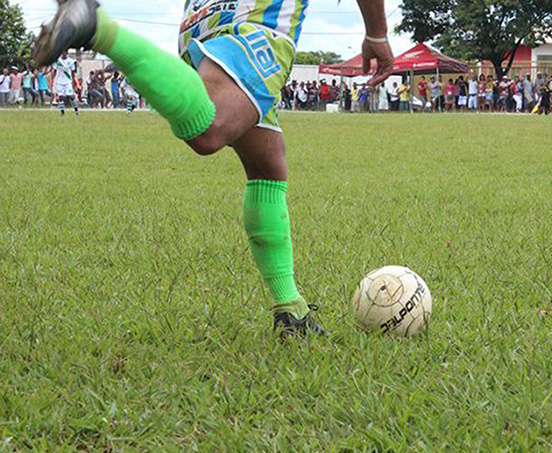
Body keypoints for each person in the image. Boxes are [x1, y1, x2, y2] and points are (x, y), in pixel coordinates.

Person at [35, 0, 394, 338]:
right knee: (211, 126)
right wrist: (377, 33)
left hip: (202, 20)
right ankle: (98, 28)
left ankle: (291, 311)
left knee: (267, 164)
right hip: (257, 16)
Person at [52, 51, 79, 116]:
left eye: (65, 53)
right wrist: (53, 80)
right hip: (59, 82)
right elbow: (54, 71)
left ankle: (76, 111)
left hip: (68, 82)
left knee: (71, 96)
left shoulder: (71, 61)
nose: (64, 54)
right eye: (62, 53)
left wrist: (74, 82)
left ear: (67, 53)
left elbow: (73, 73)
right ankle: (62, 112)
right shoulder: (57, 61)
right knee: (60, 97)